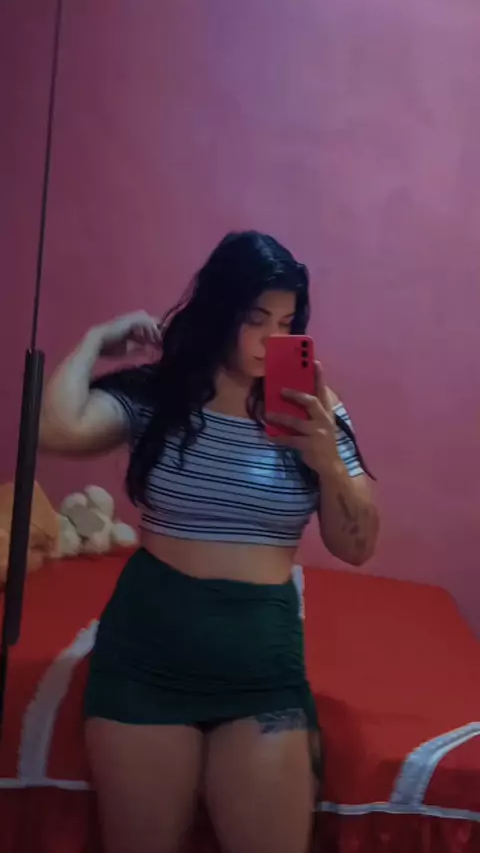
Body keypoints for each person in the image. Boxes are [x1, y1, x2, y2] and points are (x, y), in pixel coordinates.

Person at [40, 231, 379, 853]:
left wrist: (329, 462)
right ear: (221, 312)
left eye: (286, 324)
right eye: (255, 319)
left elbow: (357, 546)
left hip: (261, 661)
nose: (270, 339)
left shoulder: (315, 411)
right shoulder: (164, 395)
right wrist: (94, 340)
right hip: (147, 652)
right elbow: (56, 430)